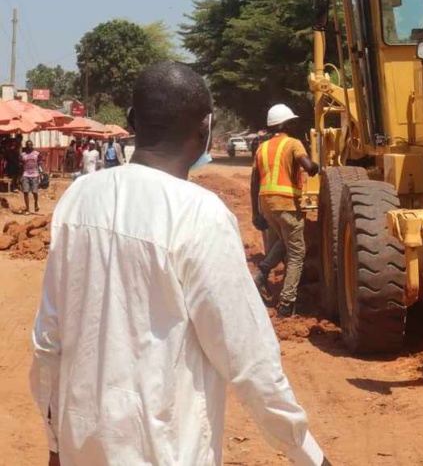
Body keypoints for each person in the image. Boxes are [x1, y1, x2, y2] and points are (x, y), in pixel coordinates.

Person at [30, 63, 328, 466]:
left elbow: (48, 340)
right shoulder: (199, 214)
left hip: (81, 448)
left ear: (133, 121)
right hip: (165, 452)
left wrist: (54, 443)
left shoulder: (79, 198)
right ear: (207, 127)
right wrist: (306, 453)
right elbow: (248, 356)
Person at [251, 104, 320, 318]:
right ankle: (287, 303)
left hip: (266, 204)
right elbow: (307, 165)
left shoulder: (261, 148)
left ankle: (262, 272)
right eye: (291, 122)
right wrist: (316, 167)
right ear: (285, 124)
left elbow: (254, 181)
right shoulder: (293, 143)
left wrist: (256, 212)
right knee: (297, 252)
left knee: (284, 238)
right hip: (287, 203)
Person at [20, 140, 42, 213]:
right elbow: (21, 165)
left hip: (35, 174)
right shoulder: (23, 155)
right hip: (26, 174)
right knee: (25, 192)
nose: (29, 146)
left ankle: (36, 203)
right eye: (27, 145)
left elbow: (39, 164)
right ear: (26, 146)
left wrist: (41, 173)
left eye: (30, 145)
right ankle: (27, 208)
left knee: (34, 192)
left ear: (32, 145)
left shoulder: (37, 154)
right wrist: (20, 176)